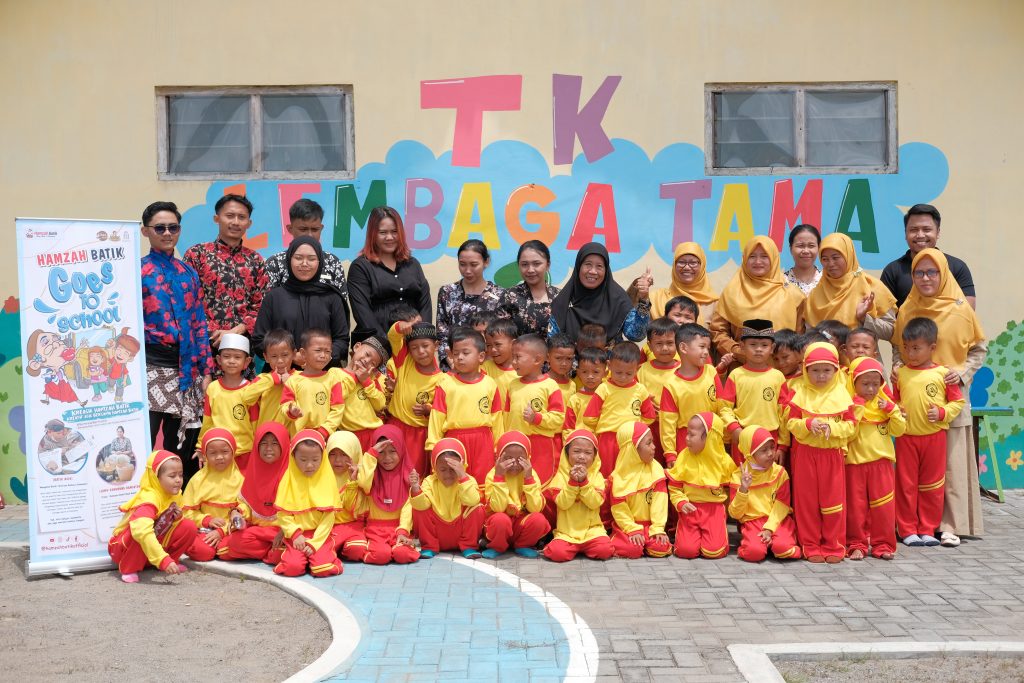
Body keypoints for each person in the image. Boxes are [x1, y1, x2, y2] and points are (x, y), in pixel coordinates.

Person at [891, 249, 987, 546]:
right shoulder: (907, 308)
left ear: (943, 274)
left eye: (932, 272)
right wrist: (897, 367)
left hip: (950, 396)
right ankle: (914, 524)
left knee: (952, 465)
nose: (926, 278)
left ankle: (950, 526)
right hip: (916, 401)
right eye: (919, 273)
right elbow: (898, 346)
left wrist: (960, 373)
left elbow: (979, 348)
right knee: (912, 473)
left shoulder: (961, 309)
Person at [140, 201, 214, 469]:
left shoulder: (188, 273)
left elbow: (199, 324)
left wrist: (206, 371)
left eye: (173, 227)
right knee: (144, 438)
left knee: (179, 444)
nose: (167, 233)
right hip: (150, 368)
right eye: (160, 227)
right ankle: (143, 502)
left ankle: (178, 503)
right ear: (145, 231)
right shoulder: (137, 271)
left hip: (186, 370)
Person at [893, 318, 966, 547]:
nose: (910, 353)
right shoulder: (900, 374)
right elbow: (893, 400)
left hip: (935, 439)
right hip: (906, 438)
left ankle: (927, 529)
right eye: (907, 348)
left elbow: (958, 403)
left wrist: (942, 413)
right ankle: (906, 530)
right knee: (905, 484)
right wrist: (898, 411)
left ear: (932, 347)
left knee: (932, 484)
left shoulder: (944, 374)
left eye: (916, 348)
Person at [783, 342, 857, 563]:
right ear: (806, 370)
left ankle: (833, 545)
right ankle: (810, 544)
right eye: (815, 370)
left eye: (826, 370)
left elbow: (852, 427)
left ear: (835, 370)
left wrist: (832, 428)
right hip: (805, 454)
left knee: (833, 501)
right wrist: (808, 425)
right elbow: (790, 422)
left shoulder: (842, 395)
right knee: (807, 502)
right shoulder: (799, 393)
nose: (821, 375)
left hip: (831, 455)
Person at [183, 194, 268, 354]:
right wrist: (214, 332)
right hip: (203, 346)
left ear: (249, 223)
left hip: (241, 349)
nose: (235, 222)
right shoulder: (197, 254)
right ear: (217, 218)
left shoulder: (255, 260)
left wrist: (235, 332)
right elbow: (187, 300)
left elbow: (261, 306)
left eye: (241, 217)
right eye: (229, 216)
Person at [253, 236, 350, 366]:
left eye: (311, 259)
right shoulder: (273, 297)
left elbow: (342, 340)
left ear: (319, 262)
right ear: (289, 260)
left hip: (324, 377)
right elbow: (259, 340)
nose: (304, 263)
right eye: (298, 258)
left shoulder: (332, 297)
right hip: (281, 375)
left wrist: (318, 357)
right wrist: (291, 356)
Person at [710, 236, 805, 364]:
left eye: (764, 256)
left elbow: (800, 337)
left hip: (782, 370)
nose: (758, 261)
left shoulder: (793, 295)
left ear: (774, 258)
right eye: (752, 256)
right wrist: (739, 352)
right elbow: (718, 331)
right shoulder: (732, 292)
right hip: (742, 369)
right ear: (745, 259)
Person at [426, 328, 502, 485]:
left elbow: (497, 420)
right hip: (454, 441)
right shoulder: (445, 384)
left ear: (481, 356)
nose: (459, 358)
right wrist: (434, 446)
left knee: (483, 483)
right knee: (455, 484)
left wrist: (498, 449)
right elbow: (436, 418)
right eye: (456, 353)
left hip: (483, 442)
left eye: (465, 353)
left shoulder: (490, 384)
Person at [846, 357, 905, 560]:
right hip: (854, 464)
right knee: (856, 508)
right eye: (865, 384)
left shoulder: (885, 404)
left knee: (884, 507)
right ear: (853, 382)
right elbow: (848, 434)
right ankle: (857, 545)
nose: (871, 389)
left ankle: (884, 545)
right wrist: (858, 409)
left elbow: (898, 430)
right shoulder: (848, 405)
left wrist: (892, 410)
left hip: (882, 464)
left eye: (875, 384)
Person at [107, 451, 197, 583]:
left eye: (180, 475)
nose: (178, 480)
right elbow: (142, 532)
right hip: (123, 549)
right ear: (156, 478)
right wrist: (162, 560)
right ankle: (129, 568)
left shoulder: (175, 494)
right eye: (172, 476)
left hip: (151, 548)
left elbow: (167, 525)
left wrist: (177, 518)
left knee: (188, 526)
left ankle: (171, 562)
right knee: (139, 531)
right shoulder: (149, 499)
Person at [347, 206, 432, 341]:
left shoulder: (413, 264)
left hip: (413, 342)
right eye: (383, 232)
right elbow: (363, 313)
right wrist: (387, 343)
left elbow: (425, 303)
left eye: (394, 231)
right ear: (372, 234)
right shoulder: (360, 267)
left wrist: (422, 336)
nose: (389, 237)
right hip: (376, 345)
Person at [198, 334, 280, 468]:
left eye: (237, 357)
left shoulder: (250, 389)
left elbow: (255, 422)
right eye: (226, 356)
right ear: (218, 359)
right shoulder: (212, 388)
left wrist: (258, 446)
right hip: (219, 452)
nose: (231, 361)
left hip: (244, 451)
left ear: (246, 362)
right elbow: (207, 421)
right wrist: (201, 445)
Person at [272, 430, 344, 577]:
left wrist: (315, 543)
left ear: (322, 458)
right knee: (292, 569)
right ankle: (299, 559)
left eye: (315, 460)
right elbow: (283, 515)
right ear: (293, 457)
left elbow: (328, 518)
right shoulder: (288, 481)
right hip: (297, 537)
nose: (309, 465)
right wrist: (295, 534)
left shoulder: (327, 481)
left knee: (323, 569)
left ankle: (318, 558)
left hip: (320, 536)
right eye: (303, 460)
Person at [549, 242, 652, 343]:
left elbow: (636, 335)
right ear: (578, 267)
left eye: (599, 266)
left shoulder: (618, 299)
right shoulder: (564, 301)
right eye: (588, 264)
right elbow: (553, 343)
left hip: (609, 360)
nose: (593, 271)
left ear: (606, 270)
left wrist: (643, 300)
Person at [581, 341, 656, 477]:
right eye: (618, 372)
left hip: (631, 441)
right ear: (609, 366)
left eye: (628, 374)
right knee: (606, 474)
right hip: (608, 440)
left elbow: (650, 416)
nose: (622, 377)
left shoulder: (640, 390)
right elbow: (589, 417)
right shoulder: (603, 388)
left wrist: (635, 428)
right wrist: (604, 426)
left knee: (629, 475)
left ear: (637, 369)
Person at [666, 413, 735, 560]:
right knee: (685, 551)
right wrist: (681, 502)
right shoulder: (684, 457)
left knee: (714, 552)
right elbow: (675, 487)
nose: (686, 438)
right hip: (691, 510)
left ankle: (714, 536)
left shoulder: (724, 461)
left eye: (692, 435)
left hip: (714, 511)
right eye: (687, 434)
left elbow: (733, 485)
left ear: (709, 437)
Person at [219, 423, 290, 564]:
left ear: (284, 444)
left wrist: (285, 530)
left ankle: (272, 550)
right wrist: (236, 512)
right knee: (227, 547)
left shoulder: (292, 474)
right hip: (259, 531)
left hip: (285, 531)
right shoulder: (254, 471)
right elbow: (247, 504)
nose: (268, 448)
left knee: (228, 549)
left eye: (275, 443)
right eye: (263, 443)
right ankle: (270, 550)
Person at [727, 426, 801, 562]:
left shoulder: (780, 473)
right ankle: (761, 544)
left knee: (784, 549)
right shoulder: (739, 476)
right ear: (750, 454)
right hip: (752, 522)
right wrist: (743, 489)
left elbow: (782, 505)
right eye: (764, 450)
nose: (770, 453)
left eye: (772, 447)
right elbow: (735, 514)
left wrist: (769, 529)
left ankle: (774, 543)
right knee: (754, 553)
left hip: (778, 520)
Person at [881, 204, 976, 308]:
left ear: (938, 232)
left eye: (926, 229)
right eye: (914, 230)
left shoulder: (957, 267)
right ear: (905, 233)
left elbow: (967, 311)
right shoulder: (892, 271)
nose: (920, 235)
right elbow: (885, 316)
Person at [718, 320, 787, 464]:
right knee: (743, 479)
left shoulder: (778, 377)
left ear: (772, 348)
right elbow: (724, 407)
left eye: (764, 345)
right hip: (744, 436)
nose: (759, 349)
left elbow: (784, 413)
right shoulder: (736, 375)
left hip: (770, 438)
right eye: (753, 345)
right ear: (742, 347)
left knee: (768, 480)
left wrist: (783, 445)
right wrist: (734, 428)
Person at [542, 429, 614, 562]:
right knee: (557, 553)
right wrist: (573, 483)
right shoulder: (560, 477)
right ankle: (572, 547)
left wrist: (584, 483)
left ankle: (586, 546)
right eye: (576, 451)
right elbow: (563, 503)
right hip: (567, 533)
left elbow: (595, 503)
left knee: (605, 550)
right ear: (566, 453)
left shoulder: (597, 477)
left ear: (594, 456)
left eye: (588, 453)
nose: (582, 456)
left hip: (592, 531)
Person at [806, 233, 898, 338]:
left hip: (863, 354)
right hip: (827, 354)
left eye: (835, 257)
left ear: (849, 255)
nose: (830, 264)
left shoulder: (871, 286)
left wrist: (864, 318)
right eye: (825, 259)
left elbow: (891, 332)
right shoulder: (816, 294)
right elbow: (809, 336)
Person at [658, 324, 724, 468]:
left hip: (712, 439)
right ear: (683, 348)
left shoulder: (711, 372)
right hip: (685, 442)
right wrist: (670, 453)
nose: (706, 352)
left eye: (708, 348)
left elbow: (722, 406)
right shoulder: (671, 385)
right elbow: (667, 423)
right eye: (702, 346)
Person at [504, 334, 566, 486]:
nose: (513, 362)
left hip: (541, 443)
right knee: (516, 481)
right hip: (516, 443)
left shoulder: (550, 385)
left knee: (540, 481)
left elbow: (558, 418)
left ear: (537, 360)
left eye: (518, 357)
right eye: (513, 357)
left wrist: (536, 419)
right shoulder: (512, 385)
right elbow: (505, 417)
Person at [409, 439, 485, 559]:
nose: (448, 474)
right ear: (434, 468)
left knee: (477, 508)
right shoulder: (430, 481)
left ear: (461, 466)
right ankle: (429, 546)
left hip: (460, 530)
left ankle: (469, 545)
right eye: (443, 470)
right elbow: (421, 505)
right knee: (419, 507)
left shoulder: (468, 480)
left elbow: (472, 501)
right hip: (438, 533)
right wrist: (415, 488)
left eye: (453, 469)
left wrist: (462, 476)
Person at [435, 239, 504, 370]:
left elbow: (501, 335)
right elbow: (442, 333)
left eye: (474, 265)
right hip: (454, 366)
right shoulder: (447, 292)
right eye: (462, 264)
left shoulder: (499, 295)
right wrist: (453, 363)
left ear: (486, 262)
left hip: (488, 367)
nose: (467, 270)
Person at [385, 320, 443, 475]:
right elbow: (393, 336)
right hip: (396, 426)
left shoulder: (442, 379)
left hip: (419, 435)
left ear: (436, 346)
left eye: (425, 345)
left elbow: (441, 409)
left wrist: (428, 409)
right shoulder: (405, 361)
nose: (421, 351)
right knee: (390, 470)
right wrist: (399, 326)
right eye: (414, 348)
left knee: (413, 473)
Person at [357, 425, 421, 565]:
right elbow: (362, 483)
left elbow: (408, 507)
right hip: (375, 530)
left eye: (393, 451)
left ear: (402, 450)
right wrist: (371, 453)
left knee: (402, 555)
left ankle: (399, 546)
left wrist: (403, 531)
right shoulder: (371, 474)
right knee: (380, 556)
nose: (387, 458)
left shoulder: (408, 475)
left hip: (399, 529)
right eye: (381, 452)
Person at [483, 432, 550, 559]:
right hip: (500, 524)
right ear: (498, 457)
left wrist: (528, 479)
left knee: (538, 519)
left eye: (520, 459)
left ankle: (523, 545)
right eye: (508, 458)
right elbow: (497, 508)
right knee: (500, 519)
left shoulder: (531, 474)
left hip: (520, 524)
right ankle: (497, 546)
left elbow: (535, 508)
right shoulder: (493, 475)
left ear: (528, 458)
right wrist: (499, 477)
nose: (514, 463)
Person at [609, 422, 671, 559]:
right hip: (626, 527)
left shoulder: (656, 470)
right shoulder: (618, 477)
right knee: (632, 549)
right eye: (648, 443)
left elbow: (660, 504)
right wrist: (632, 529)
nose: (654, 447)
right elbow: (619, 510)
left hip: (650, 526)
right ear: (632, 448)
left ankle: (647, 541)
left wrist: (658, 529)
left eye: (652, 442)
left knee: (660, 547)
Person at [181, 429, 245, 562]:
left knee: (230, 547)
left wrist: (222, 531)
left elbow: (246, 513)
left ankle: (222, 547)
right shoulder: (197, 480)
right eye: (213, 453)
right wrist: (206, 520)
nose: (219, 457)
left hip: (232, 531)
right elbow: (186, 512)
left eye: (225, 451)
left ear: (233, 452)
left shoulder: (242, 479)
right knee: (202, 552)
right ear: (204, 455)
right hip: (205, 531)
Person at [265, 198, 348, 297]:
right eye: (303, 229)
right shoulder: (275, 264)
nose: (309, 235)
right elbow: (268, 304)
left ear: (321, 229)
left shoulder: (333, 263)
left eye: (314, 229)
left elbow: (342, 303)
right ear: (290, 229)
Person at [280, 329, 346, 438]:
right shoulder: (293, 380)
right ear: (303, 353)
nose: (323, 355)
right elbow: (285, 405)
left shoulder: (333, 379)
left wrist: (323, 432)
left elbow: (338, 409)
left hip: (324, 437)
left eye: (328, 351)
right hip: (298, 437)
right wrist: (291, 411)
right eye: (318, 350)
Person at [332, 334, 389, 450]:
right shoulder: (335, 373)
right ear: (357, 347)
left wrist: (366, 382)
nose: (367, 361)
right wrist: (354, 377)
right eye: (367, 354)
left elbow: (380, 405)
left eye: (373, 363)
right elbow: (337, 397)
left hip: (374, 433)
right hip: (349, 436)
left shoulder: (372, 380)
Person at [638, 317, 681, 465]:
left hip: (676, 427)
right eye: (659, 344)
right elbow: (633, 394)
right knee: (653, 463)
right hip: (651, 426)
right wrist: (645, 402)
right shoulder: (642, 370)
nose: (664, 348)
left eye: (670, 343)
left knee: (676, 463)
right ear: (649, 346)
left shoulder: (683, 369)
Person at [498, 240, 561, 337]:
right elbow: (501, 335)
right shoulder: (509, 296)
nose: (530, 270)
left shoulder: (559, 296)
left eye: (536, 264)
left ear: (547, 265)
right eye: (524, 264)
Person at [326, 431, 371, 563]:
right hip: (328, 525)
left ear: (354, 454)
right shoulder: (321, 475)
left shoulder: (362, 476)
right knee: (321, 550)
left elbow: (352, 508)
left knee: (356, 551)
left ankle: (340, 549)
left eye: (344, 454)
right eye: (332, 454)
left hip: (353, 525)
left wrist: (352, 482)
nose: (338, 460)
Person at [651, 242, 719, 324]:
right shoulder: (656, 298)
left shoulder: (714, 303)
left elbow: (719, 333)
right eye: (681, 262)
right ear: (674, 265)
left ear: (702, 266)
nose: (687, 267)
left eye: (693, 263)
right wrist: (641, 295)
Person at [563, 347, 606, 442]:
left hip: (604, 445)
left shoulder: (609, 395)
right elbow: (568, 427)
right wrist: (569, 445)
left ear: (605, 372)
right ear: (578, 372)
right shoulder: (575, 399)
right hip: (581, 447)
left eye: (596, 372)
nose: (590, 376)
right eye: (584, 372)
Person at [482, 318, 519, 404]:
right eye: (489, 345)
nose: (493, 349)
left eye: (498, 344)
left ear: (513, 344)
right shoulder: (484, 368)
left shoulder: (524, 371)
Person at [783, 224, 822, 295]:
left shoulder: (827, 280)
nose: (806, 251)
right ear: (791, 248)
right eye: (800, 246)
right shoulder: (781, 281)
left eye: (811, 246)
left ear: (819, 248)